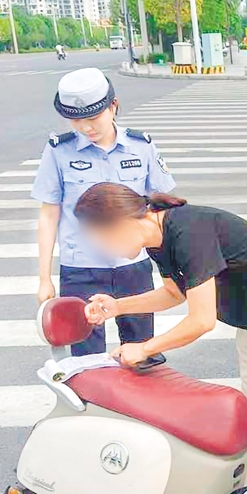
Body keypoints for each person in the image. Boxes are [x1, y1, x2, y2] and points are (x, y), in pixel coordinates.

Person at [74, 184, 247, 484]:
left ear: (121, 223)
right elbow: (174, 293)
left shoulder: (189, 231)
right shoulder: (158, 239)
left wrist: (144, 348)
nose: (105, 250)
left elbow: (202, 320)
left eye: (102, 239)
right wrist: (118, 307)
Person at [32, 67, 175, 356]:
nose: (86, 128)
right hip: (81, 268)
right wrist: (44, 278)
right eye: (77, 120)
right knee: (85, 356)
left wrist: (172, 263)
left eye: (93, 118)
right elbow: (49, 215)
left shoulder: (141, 147)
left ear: (113, 106)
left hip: (133, 264)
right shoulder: (59, 151)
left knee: (139, 350)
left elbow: (163, 209)